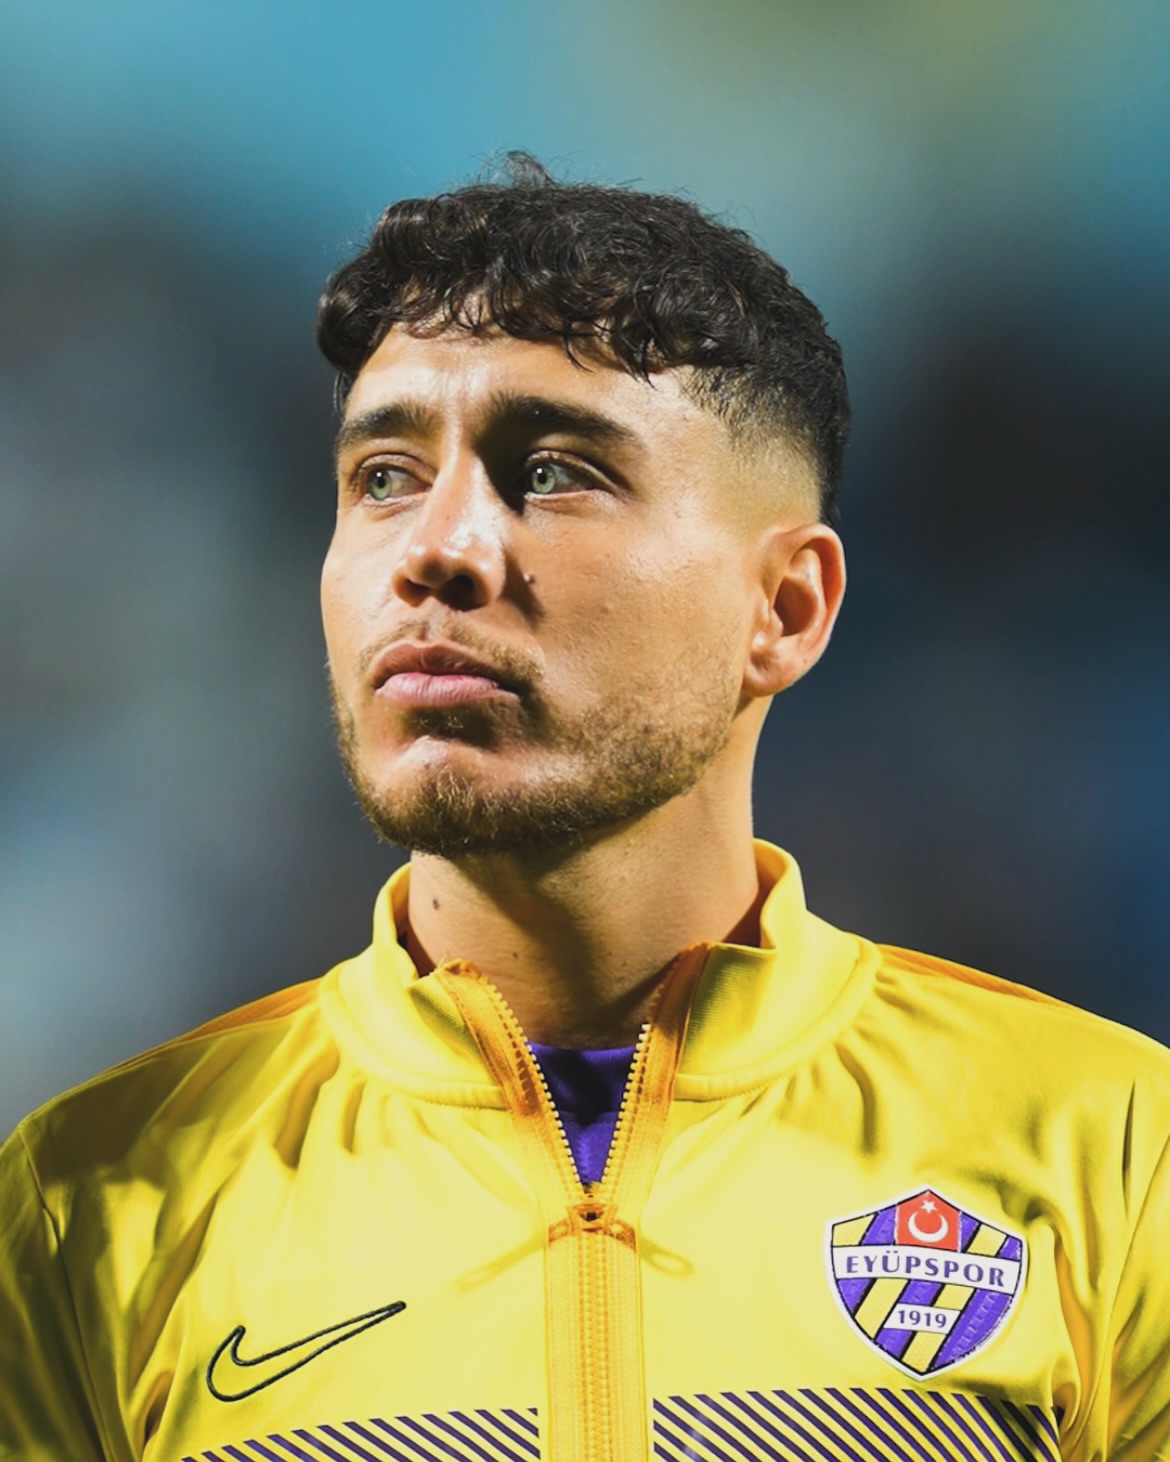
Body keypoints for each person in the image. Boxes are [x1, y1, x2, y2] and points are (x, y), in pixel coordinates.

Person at [1, 155, 1168, 1462]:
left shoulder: (1114, 1151)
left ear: (784, 609)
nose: (434, 548)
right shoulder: (87, 1205)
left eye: (553, 471)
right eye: (382, 475)